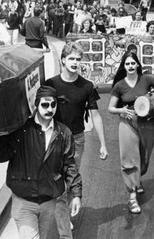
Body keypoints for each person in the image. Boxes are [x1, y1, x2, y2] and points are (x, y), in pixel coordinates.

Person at [0, 85, 82, 239]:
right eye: (45, 104)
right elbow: (1, 156)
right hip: (24, 201)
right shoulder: (21, 131)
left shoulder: (63, 133)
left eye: (53, 104)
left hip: (49, 201)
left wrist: (77, 194)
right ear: (36, 104)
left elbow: (69, 165)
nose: (50, 109)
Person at [45, 42, 108, 238]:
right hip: (54, 139)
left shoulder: (86, 86)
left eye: (78, 59)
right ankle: (63, 218)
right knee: (57, 183)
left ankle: (65, 214)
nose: (75, 62)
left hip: (76, 141)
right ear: (63, 60)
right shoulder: (51, 84)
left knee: (71, 179)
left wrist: (103, 144)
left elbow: (96, 116)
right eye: (71, 58)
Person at [108, 52, 154, 213]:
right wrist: (121, 110)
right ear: (124, 66)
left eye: (133, 63)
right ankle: (132, 197)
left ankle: (138, 178)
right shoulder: (119, 86)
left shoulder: (147, 79)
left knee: (144, 158)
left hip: (147, 123)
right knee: (130, 159)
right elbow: (110, 108)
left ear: (137, 64)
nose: (130, 66)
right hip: (127, 123)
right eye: (127, 64)